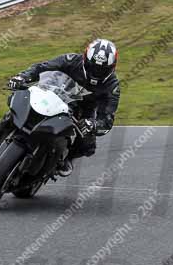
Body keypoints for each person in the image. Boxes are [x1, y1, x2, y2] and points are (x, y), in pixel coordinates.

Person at [7, 38, 120, 176]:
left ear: (112, 67)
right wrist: (23, 77)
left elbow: (107, 118)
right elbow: (43, 67)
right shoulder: (71, 60)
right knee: (19, 98)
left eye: (102, 69)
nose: (96, 72)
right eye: (93, 66)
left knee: (88, 145)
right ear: (85, 59)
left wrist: (94, 124)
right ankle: (7, 125)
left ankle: (67, 158)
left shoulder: (112, 86)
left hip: (84, 109)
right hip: (55, 92)